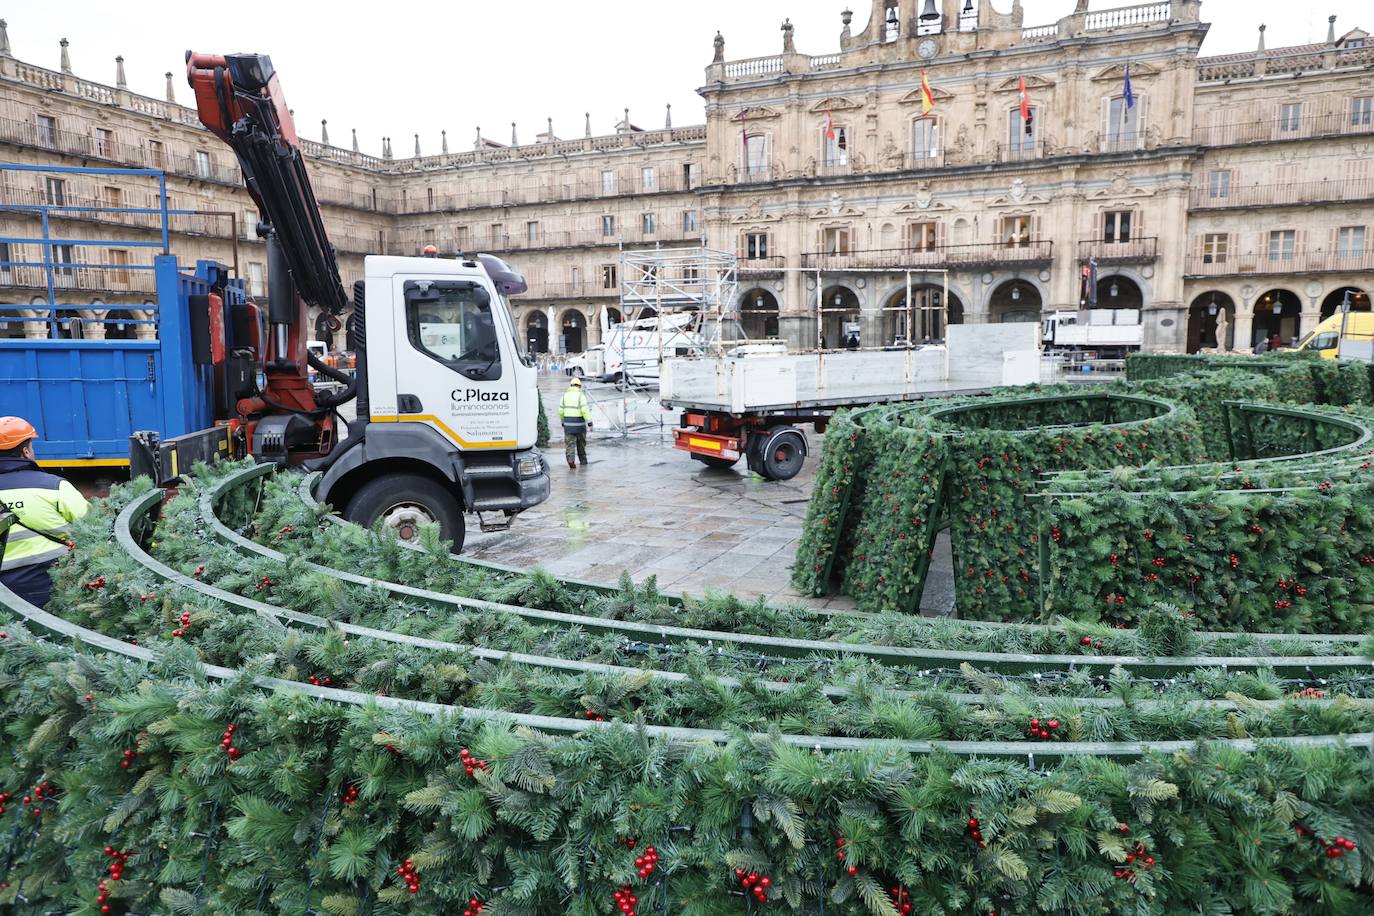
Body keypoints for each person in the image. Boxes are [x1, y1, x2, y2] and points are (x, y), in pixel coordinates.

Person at [0, 417, 89, 608]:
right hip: (53, 584)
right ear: (25, 452)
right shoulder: (54, 487)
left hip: (3, 595)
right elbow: (93, 529)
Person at [558, 377, 593, 469]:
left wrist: (563, 422)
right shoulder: (581, 396)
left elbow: (561, 411)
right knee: (581, 444)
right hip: (580, 426)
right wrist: (590, 423)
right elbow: (585, 410)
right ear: (579, 386)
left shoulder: (564, 396)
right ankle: (583, 462)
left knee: (570, 445)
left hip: (568, 426)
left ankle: (571, 462)